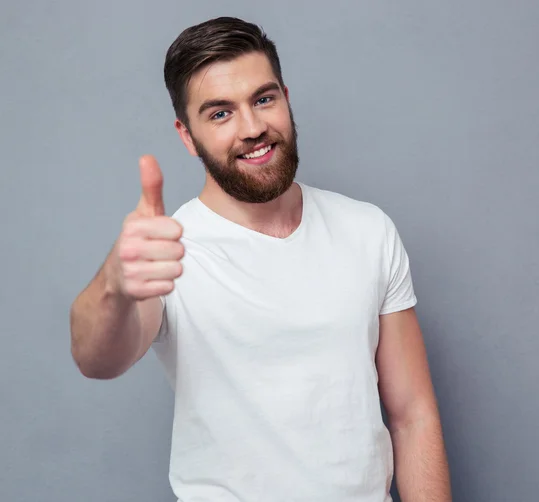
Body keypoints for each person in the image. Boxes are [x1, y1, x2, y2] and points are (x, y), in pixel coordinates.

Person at [69, 16, 452, 502]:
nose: (253, 128)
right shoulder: (170, 253)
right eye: (220, 114)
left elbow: (413, 413)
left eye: (263, 99)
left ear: (286, 99)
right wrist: (114, 284)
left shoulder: (367, 230)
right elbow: (94, 360)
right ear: (187, 136)